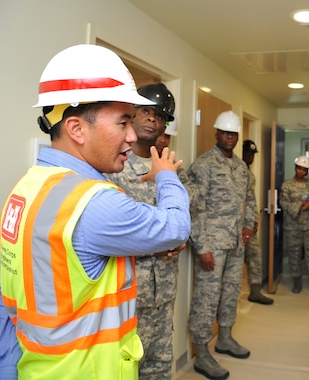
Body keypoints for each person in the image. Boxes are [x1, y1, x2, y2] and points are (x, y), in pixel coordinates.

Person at [0, 44, 191, 379]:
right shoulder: (94, 202)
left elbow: (8, 299)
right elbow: (175, 226)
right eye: (122, 122)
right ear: (76, 129)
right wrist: (168, 176)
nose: (131, 136)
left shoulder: (27, 188)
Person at [105, 82, 186, 379]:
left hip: (163, 292)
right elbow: (111, 231)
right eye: (146, 111)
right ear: (132, 115)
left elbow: (181, 219)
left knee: (160, 367)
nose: (153, 119)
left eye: (160, 115)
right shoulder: (112, 166)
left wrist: (180, 241)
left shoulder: (169, 167)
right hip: (124, 298)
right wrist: (157, 242)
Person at [186, 110, 255, 380]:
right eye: (225, 132)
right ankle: (202, 352)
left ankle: (225, 338)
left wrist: (249, 223)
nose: (230, 137)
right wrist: (201, 246)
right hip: (212, 245)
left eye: (234, 133)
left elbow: (249, 198)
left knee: (230, 293)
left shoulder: (241, 167)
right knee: (206, 298)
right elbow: (194, 209)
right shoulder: (202, 166)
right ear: (216, 134)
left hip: (236, 242)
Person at [280, 155, 309, 297]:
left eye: (304, 170)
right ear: (295, 168)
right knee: (294, 254)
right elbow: (283, 203)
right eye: (299, 168)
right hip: (292, 226)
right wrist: (299, 204)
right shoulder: (287, 185)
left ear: (307, 171)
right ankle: (296, 281)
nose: (301, 172)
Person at [242, 139, 274, 305]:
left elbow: (251, 199)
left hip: (249, 223)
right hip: (234, 225)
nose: (250, 157)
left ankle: (255, 291)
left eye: (252, 154)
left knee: (255, 256)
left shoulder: (249, 173)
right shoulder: (237, 170)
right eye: (247, 153)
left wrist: (254, 219)